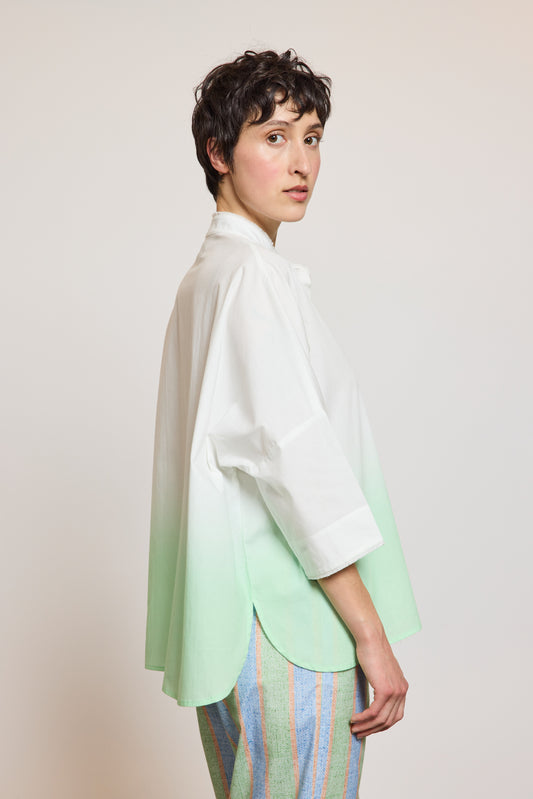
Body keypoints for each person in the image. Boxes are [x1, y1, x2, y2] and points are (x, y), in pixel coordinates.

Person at [145, 48, 421, 798]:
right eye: (274, 137)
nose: (301, 162)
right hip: (289, 621)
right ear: (218, 153)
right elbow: (293, 463)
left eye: (312, 137)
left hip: (233, 628)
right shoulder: (249, 280)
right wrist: (371, 636)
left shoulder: (206, 279)